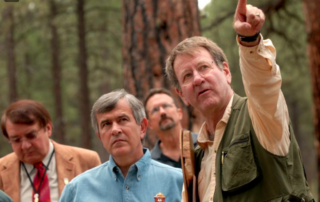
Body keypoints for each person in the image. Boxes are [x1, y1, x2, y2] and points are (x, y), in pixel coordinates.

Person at [165, 0, 314, 201]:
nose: (198, 79)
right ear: (182, 94)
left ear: (226, 72)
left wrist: (249, 40)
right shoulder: (196, 158)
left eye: (203, 67)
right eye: (187, 76)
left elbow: (263, 85)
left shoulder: (260, 118)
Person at [59, 89, 183, 202]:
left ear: (142, 127)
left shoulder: (178, 182)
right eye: (106, 124)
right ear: (100, 136)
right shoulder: (77, 190)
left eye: (123, 120)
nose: (115, 130)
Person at [0, 99, 101, 202]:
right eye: (16, 140)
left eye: (31, 135)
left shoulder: (86, 161)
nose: (25, 146)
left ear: (48, 128)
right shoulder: (1, 171)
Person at [143, 88, 197, 168]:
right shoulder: (150, 164)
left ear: (179, 113)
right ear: (149, 124)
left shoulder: (204, 143)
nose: (162, 112)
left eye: (166, 106)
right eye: (155, 110)